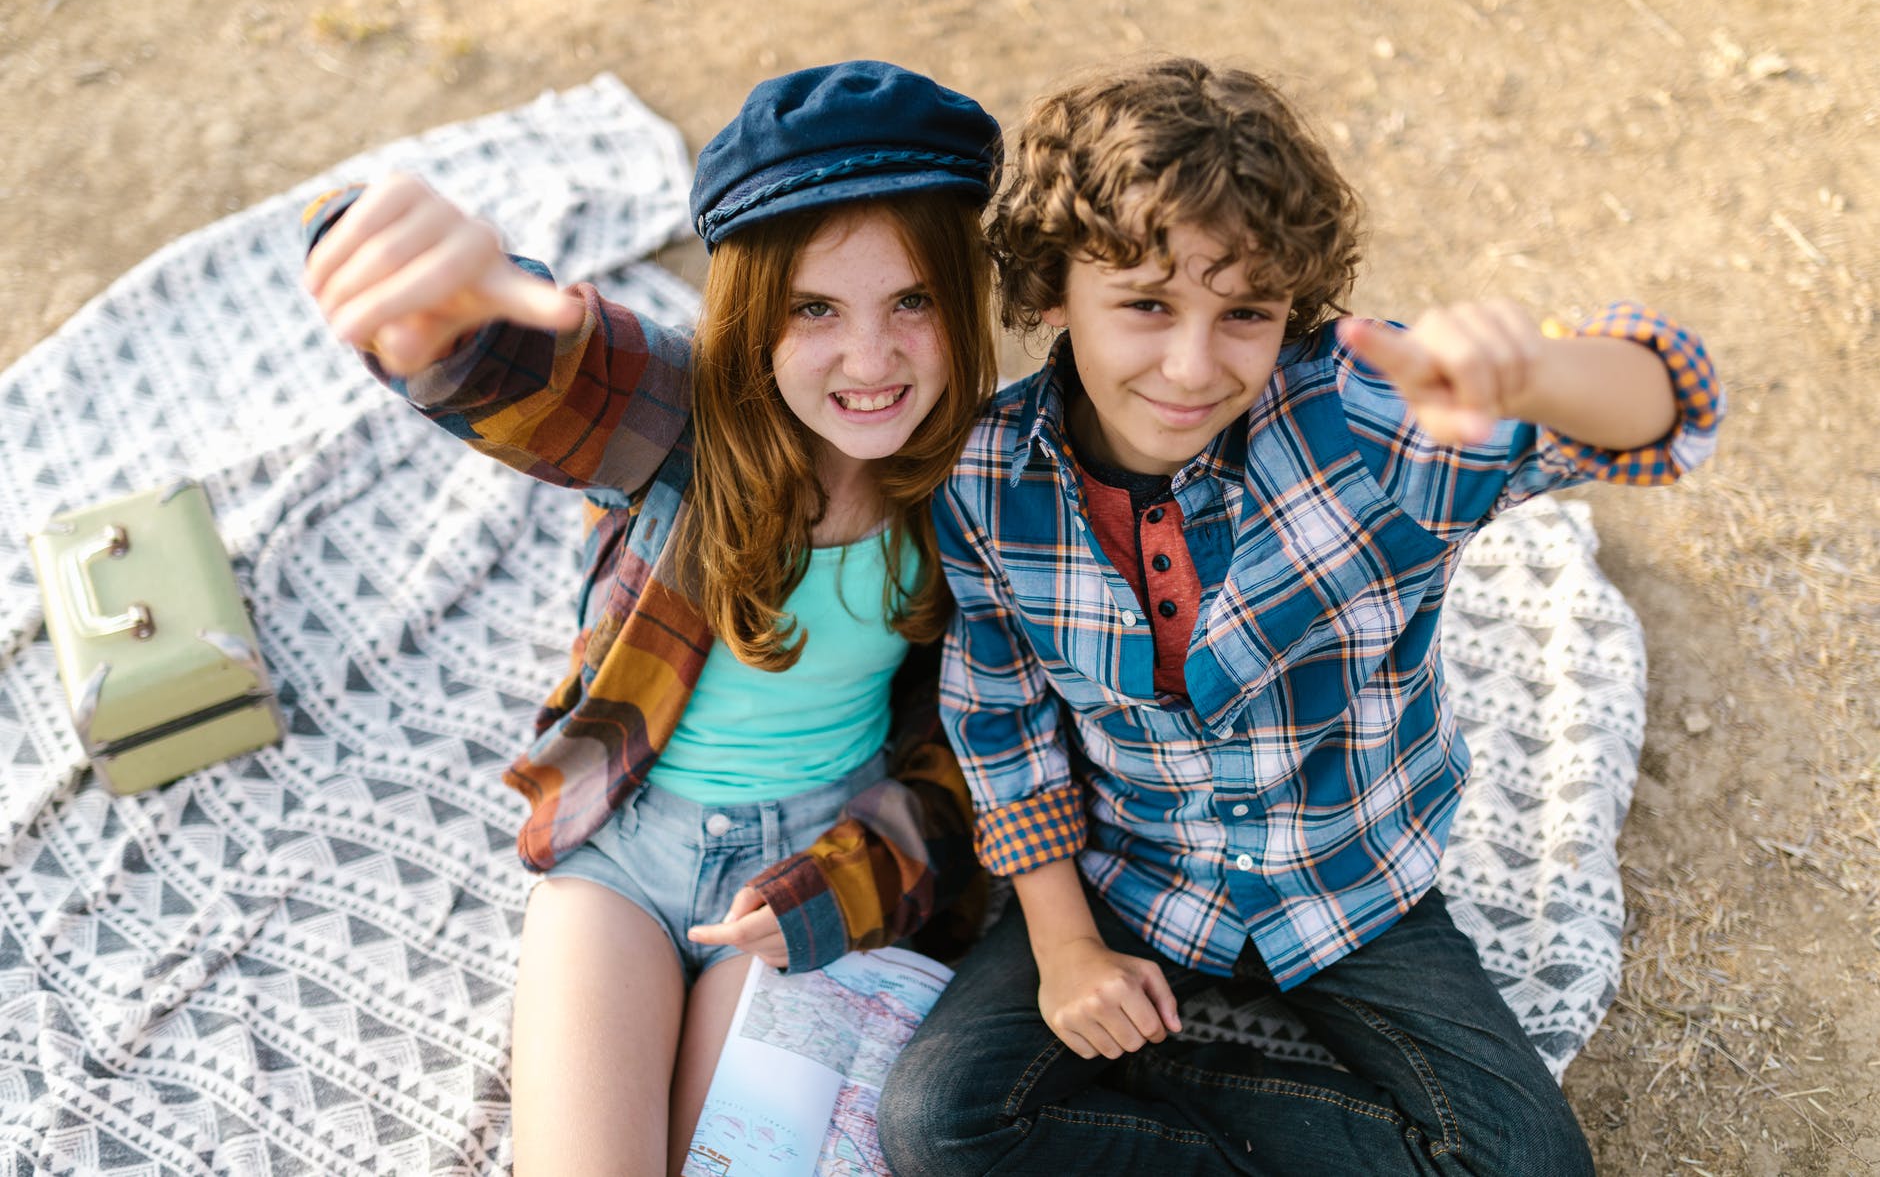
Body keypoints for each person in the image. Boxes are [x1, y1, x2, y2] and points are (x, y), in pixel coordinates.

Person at [876, 57, 1724, 1176]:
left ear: (1294, 308)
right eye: (1142, 304)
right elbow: (1001, 720)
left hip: (1350, 880)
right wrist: (1066, 945)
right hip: (1132, 875)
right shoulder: (986, 477)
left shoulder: (1365, 419)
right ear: (1047, 294)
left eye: (1244, 313)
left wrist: (1534, 376)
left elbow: (1669, 415)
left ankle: (1158, 1078)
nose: (1190, 363)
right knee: (936, 1123)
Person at [299, 61, 1001, 1176]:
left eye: (910, 300)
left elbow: (974, 768)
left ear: (963, 302)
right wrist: (428, 285)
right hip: (625, 849)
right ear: (750, 317)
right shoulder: (683, 420)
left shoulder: (982, 488)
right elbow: (520, 359)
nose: (869, 360)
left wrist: (843, 885)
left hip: (810, 861)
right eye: (814, 308)